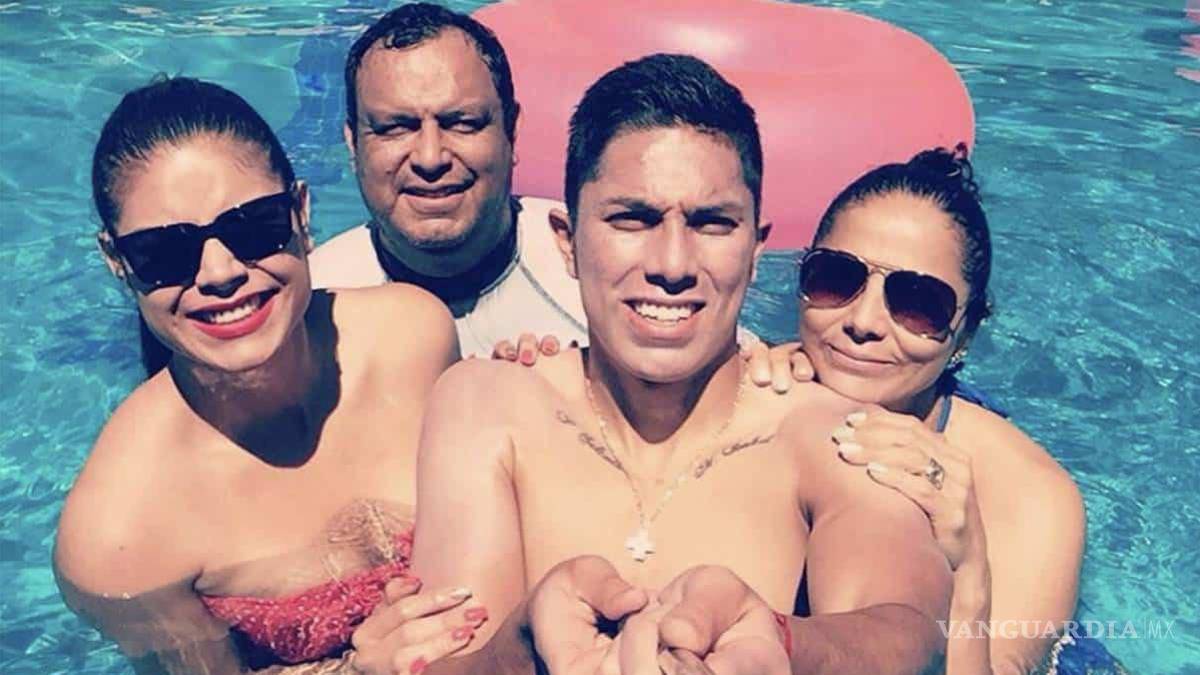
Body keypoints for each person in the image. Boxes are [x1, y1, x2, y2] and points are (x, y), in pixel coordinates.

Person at [409, 54, 952, 674]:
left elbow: (912, 632)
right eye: (632, 219)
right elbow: (445, 658)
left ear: (755, 249)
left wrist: (784, 642)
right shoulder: (487, 405)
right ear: (566, 241)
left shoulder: (831, 436)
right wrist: (522, 648)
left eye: (711, 224)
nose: (672, 265)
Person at [53, 76, 536, 674]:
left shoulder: (412, 338)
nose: (220, 272)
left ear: (301, 213)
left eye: (253, 226)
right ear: (117, 261)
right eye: (165, 253)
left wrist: (537, 400)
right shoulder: (118, 533)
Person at [783, 146, 1095, 674]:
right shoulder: (757, 391)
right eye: (835, 278)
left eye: (918, 303)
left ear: (965, 334)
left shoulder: (1031, 499)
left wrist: (970, 568)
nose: (864, 322)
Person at [308, 3, 587, 357]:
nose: (430, 158)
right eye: (395, 127)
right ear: (353, 144)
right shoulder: (308, 307)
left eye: (462, 123)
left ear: (511, 131)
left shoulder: (594, 276)